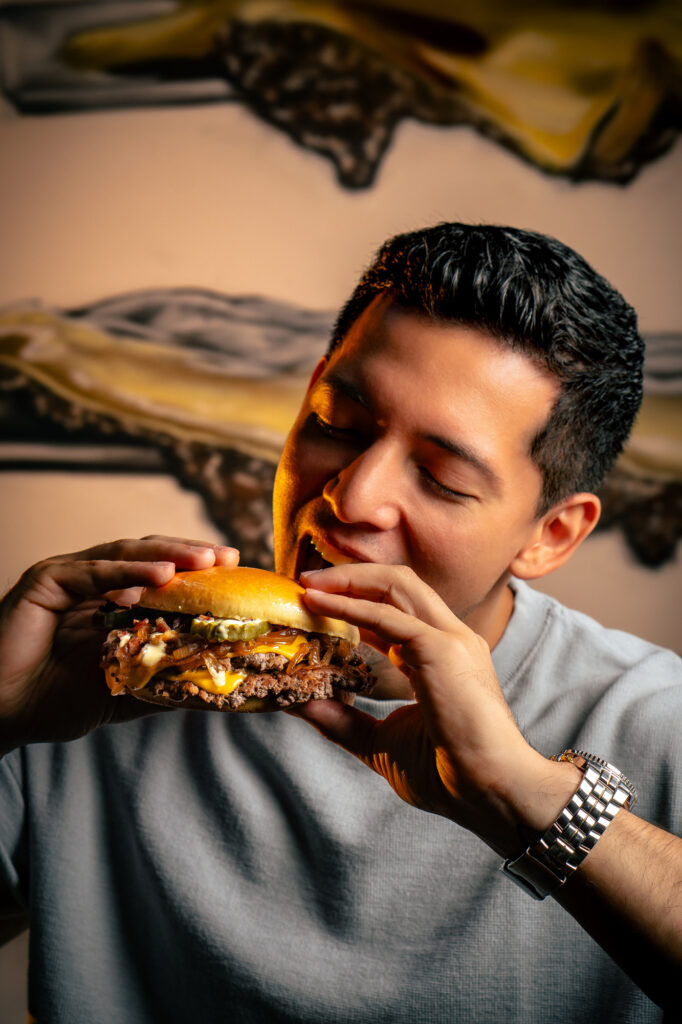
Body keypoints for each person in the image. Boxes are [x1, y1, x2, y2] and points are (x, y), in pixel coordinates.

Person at [0, 223, 680, 1022]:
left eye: (441, 477)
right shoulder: (92, 674)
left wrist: (518, 793)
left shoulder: (653, 719)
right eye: (337, 425)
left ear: (550, 535)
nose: (351, 498)